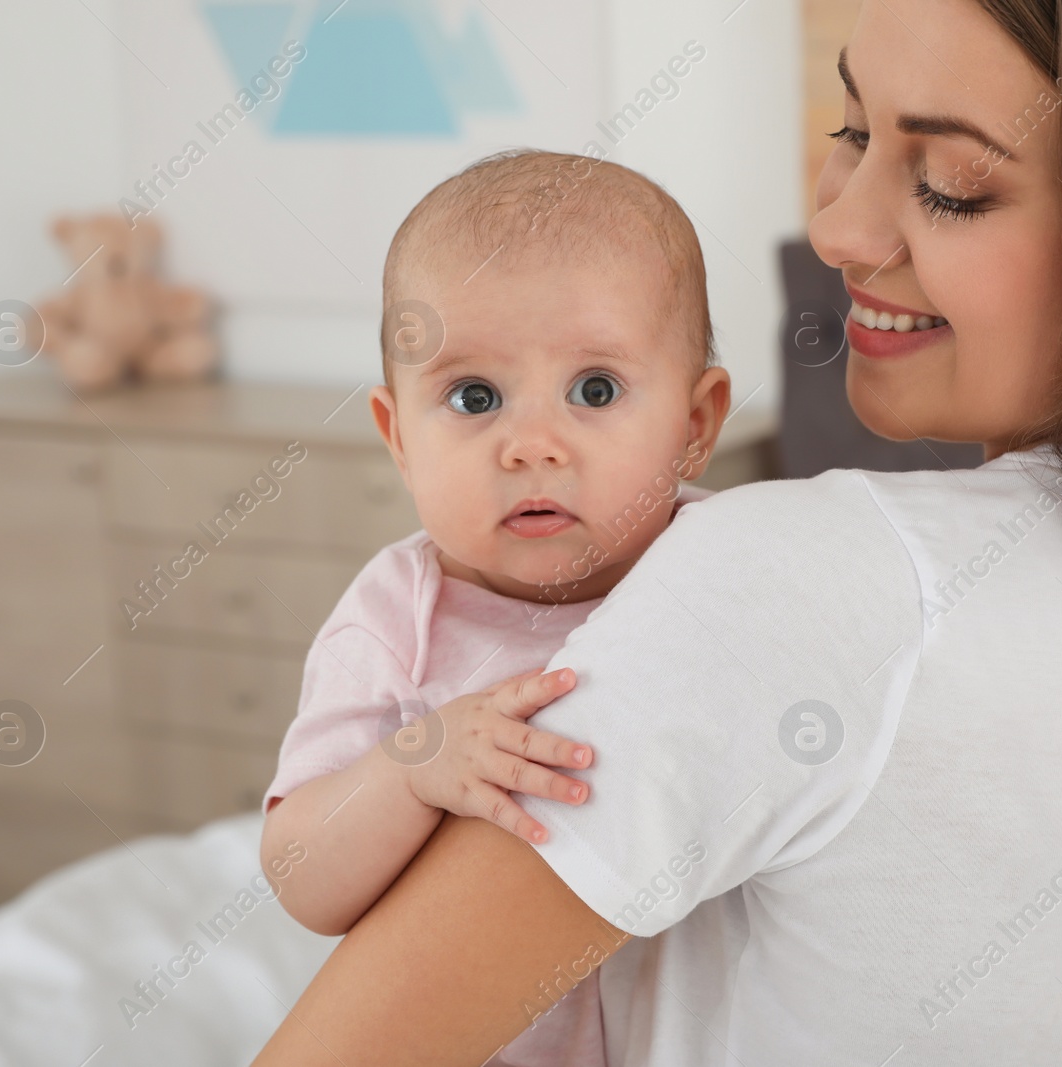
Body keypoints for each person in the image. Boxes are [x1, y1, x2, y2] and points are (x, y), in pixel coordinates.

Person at [254, 0, 1062, 1062]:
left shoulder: (788, 577)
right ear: (391, 428)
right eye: (849, 129)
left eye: (955, 183)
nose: (838, 230)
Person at [257, 150, 731, 1067]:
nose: (532, 445)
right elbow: (300, 878)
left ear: (696, 425)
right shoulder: (398, 620)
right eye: (474, 397)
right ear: (398, 437)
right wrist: (412, 768)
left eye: (596, 389)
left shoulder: (731, 570)